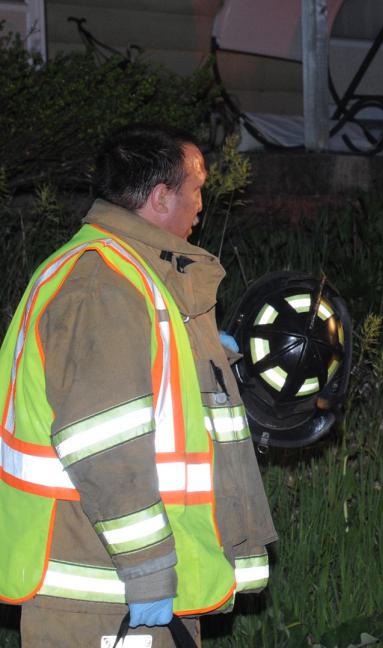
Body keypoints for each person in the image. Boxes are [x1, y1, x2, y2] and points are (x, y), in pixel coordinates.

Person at [0, 125, 277, 647]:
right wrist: (148, 569)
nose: (201, 204)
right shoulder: (102, 284)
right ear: (159, 196)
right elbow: (104, 442)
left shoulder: (130, 274)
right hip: (101, 594)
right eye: (196, 188)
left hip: (116, 587)